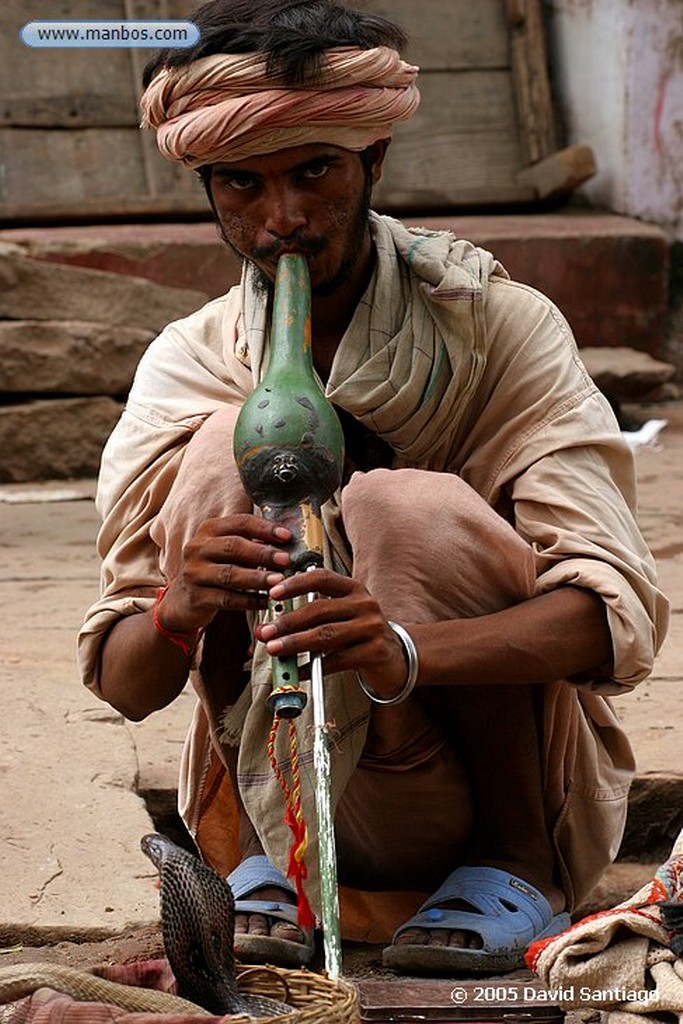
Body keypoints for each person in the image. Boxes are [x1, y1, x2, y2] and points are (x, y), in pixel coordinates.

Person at [78, 0, 668, 976]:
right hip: (283, 805)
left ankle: (511, 863)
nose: (283, 220)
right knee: (227, 459)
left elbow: (612, 621)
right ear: (209, 187)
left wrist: (401, 648)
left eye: (314, 171)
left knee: (402, 506)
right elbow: (121, 678)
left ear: (373, 162)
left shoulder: (497, 327)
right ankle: (272, 862)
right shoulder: (187, 363)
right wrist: (178, 604)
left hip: (471, 781)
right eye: (241, 184)